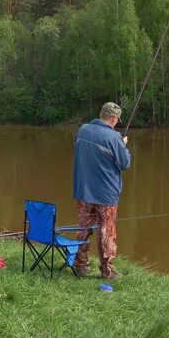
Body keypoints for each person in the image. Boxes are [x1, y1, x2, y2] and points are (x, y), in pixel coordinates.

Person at [72, 102, 132, 280]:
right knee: (107, 232)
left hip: (84, 191)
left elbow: (77, 144)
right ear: (114, 119)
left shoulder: (83, 130)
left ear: (100, 115)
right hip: (106, 194)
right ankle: (107, 271)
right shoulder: (114, 138)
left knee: (83, 229)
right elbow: (125, 163)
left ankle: (80, 265)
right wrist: (123, 145)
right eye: (116, 120)